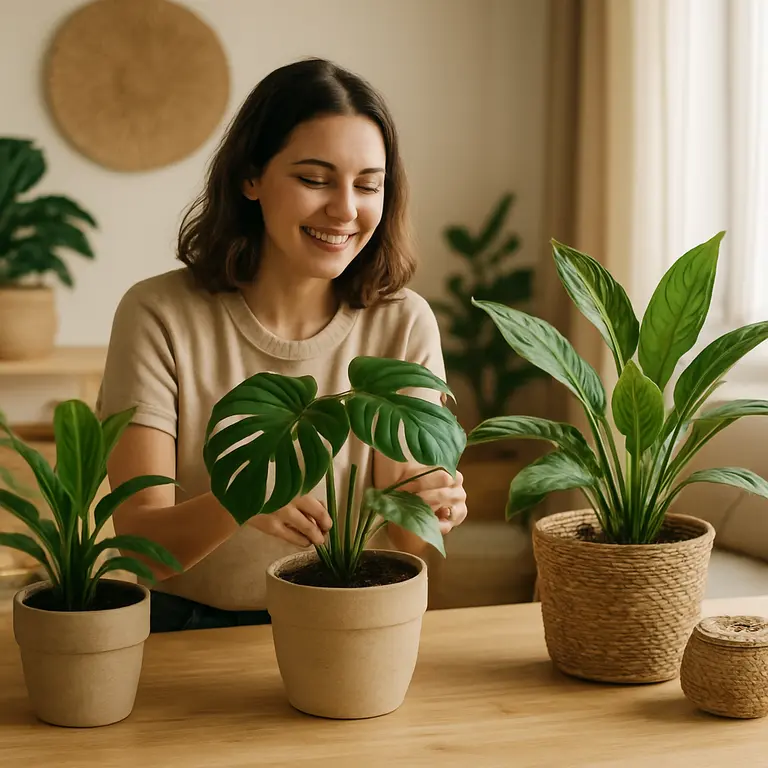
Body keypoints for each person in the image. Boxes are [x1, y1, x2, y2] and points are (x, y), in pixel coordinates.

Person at [98, 57, 468, 633]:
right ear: (251, 177)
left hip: (354, 623)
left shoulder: (404, 322)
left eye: (368, 185)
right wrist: (242, 499)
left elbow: (405, 541)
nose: (345, 209)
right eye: (315, 179)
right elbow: (141, 544)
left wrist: (430, 508)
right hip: (190, 630)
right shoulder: (158, 315)